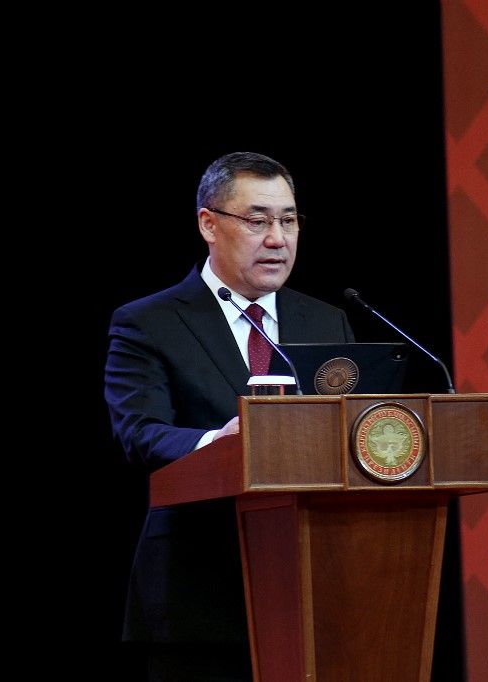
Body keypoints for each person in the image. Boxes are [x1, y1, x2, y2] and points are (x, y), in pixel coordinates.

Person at [104, 151, 354, 681]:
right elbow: (139, 432)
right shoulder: (149, 323)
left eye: (289, 220)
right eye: (257, 221)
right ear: (209, 224)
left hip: (315, 585)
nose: (277, 239)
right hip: (199, 592)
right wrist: (221, 442)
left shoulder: (327, 320)